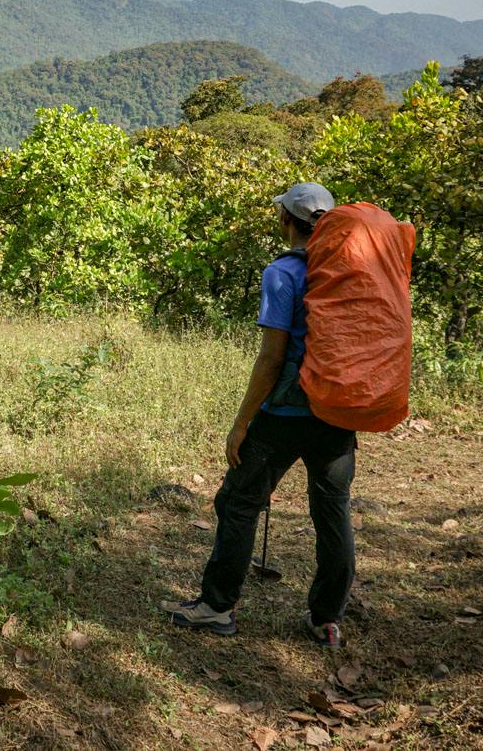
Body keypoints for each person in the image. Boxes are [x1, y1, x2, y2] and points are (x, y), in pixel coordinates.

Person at [162, 182, 355, 648]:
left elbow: (272, 357)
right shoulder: (348, 271)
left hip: (284, 413)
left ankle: (216, 607)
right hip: (335, 411)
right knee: (332, 512)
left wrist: (242, 421)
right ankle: (327, 618)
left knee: (239, 502)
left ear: (286, 221)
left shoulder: (282, 273)